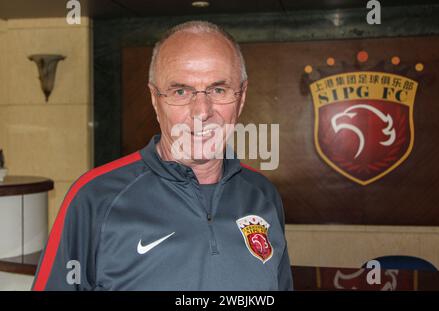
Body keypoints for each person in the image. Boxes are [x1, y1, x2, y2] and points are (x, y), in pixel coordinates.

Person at [32, 21, 293, 291]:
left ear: (241, 97)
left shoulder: (264, 196)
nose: (202, 112)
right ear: (155, 100)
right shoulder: (94, 199)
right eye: (181, 91)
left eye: (218, 90)